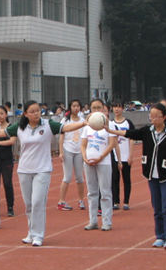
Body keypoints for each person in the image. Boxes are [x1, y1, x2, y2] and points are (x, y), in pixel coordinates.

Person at [0, 100, 86, 246]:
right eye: (33, 111)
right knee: (28, 204)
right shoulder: (19, 127)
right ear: (26, 114)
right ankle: (31, 232)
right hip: (24, 170)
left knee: (37, 202)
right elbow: (0, 132)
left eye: (38, 110)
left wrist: (84, 124)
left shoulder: (48, 125)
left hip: (42, 169)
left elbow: (67, 127)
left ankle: (38, 235)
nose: (36, 113)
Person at [105, 102, 166, 249]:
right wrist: (111, 131)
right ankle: (160, 236)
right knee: (157, 207)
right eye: (151, 116)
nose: (153, 118)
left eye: (156, 116)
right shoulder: (147, 131)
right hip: (151, 174)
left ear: (164, 117)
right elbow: (129, 133)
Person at [81, 99, 117, 231]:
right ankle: (93, 220)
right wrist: (85, 157)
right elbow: (83, 144)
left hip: (104, 162)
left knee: (105, 192)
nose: (96, 110)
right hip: (89, 162)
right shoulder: (87, 126)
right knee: (92, 192)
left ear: (104, 109)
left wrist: (100, 157)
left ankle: (107, 221)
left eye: (99, 107)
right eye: (93, 108)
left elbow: (112, 144)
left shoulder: (110, 125)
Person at [57, 99, 86, 211]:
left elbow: (85, 137)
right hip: (68, 149)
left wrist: (85, 152)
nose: (76, 108)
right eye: (73, 106)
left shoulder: (83, 121)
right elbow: (61, 136)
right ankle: (61, 201)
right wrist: (61, 151)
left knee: (79, 177)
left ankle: (81, 200)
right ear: (70, 107)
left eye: (78, 106)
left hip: (79, 151)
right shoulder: (65, 120)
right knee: (67, 177)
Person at [111, 101, 135, 210]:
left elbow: (131, 139)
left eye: (119, 107)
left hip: (125, 155)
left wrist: (131, 155)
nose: (117, 109)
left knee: (126, 178)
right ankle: (116, 201)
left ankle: (126, 202)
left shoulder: (128, 123)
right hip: (115, 156)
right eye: (115, 107)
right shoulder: (111, 123)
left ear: (122, 109)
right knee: (115, 179)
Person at [0, 106, 16, 216]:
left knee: (7, 183)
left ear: (6, 114)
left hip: (7, 159)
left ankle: (10, 207)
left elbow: (11, 141)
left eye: (1, 113)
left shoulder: (11, 127)